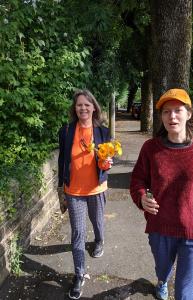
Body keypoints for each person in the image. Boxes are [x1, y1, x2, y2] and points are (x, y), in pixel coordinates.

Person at [130, 88, 193, 300]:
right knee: (162, 269)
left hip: (192, 228)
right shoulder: (150, 148)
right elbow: (138, 180)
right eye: (166, 111)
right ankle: (162, 281)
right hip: (160, 227)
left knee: (185, 289)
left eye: (177, 110)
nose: (172, 116)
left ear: (189, 114)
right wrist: (141, 197)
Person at [57, 89, 112, 299]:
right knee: (78, 233)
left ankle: (99, 240)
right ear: (75, 108)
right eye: (79, 105)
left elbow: (106, 162)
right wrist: (60, 187)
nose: (83, 108)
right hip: (74, 191)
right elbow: (62, 160)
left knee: (97, 221)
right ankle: (79, 274)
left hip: (96, 188)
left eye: (87, 105)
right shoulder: (67, 130)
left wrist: (107, 163)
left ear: (94, 107)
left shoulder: (103, 132)